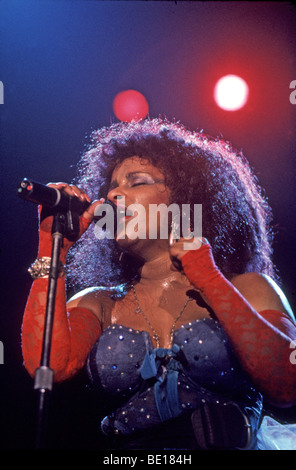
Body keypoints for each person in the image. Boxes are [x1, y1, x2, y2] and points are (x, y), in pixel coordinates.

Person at [21, 117, 296, 450]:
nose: (113, 194)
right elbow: (48, 366)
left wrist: (209, 279)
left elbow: (286, 385)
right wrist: (53, 248)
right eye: (112, 185)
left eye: (136, 182)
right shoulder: (102, 303)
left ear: (186, 195)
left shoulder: (248, 287)